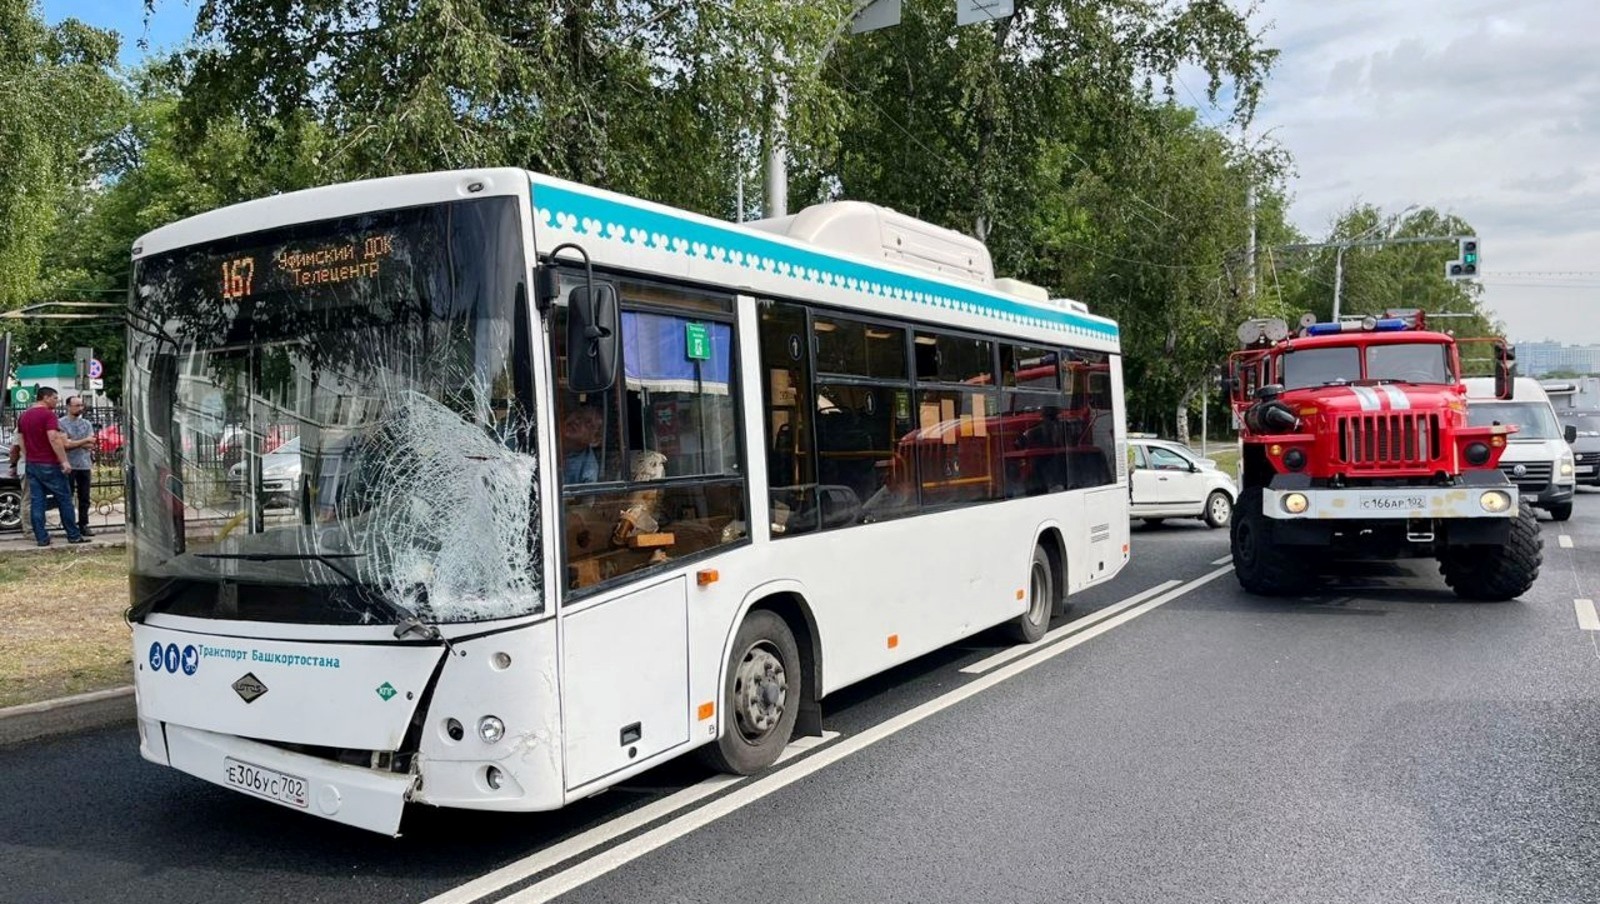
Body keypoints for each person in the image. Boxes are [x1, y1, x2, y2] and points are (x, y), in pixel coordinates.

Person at [11, 387, 87, 545]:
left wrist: (29, 456)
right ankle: (73, 535)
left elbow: (21, 440)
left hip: (32, 463)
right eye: (54, 398)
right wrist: (64, 461)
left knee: (37, 500)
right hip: (49, 463)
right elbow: (54, 438)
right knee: (64, 499)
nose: (57, 401)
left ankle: (42, 538)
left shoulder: (24, 416)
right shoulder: (48, 415)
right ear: (45, 397)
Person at [59, 396, 96, 537]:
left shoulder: (87, 423)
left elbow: (91, 444)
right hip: (69, 464)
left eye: (81, 405)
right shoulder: (61, 423)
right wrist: (84, 441)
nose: (80, 408)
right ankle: (69, 524)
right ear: (68, 406)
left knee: (84, 497)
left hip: (84, 464)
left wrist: (75, 442)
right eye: (77, 405)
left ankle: (84, 524)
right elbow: (65, 445)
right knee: (67, 496)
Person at [561, 406, 605, 484]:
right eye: (578, 415)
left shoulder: (589, 471)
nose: (577, 421)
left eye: (587, 423)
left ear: (595, 440)